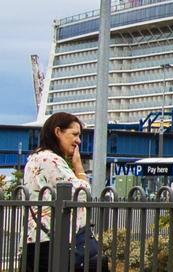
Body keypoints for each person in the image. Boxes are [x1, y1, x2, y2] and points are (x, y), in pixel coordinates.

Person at [22, 112, 108, 272]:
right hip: (53, 243)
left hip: (37, 241)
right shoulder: (50, 160)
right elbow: (82, 192)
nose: (79, 141)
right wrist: (78, 165)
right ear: (58, 132)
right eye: (74, 134)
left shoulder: (34, 158)